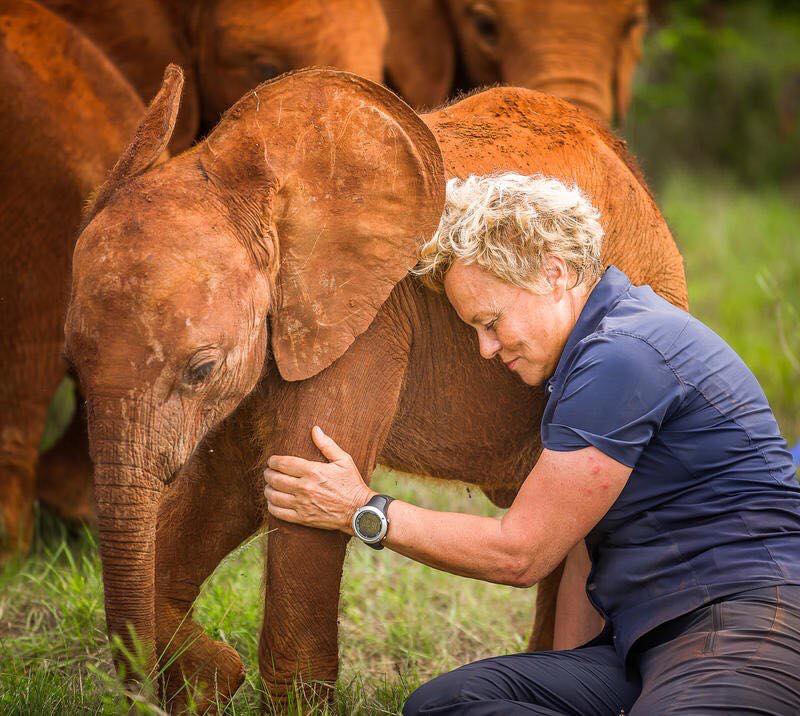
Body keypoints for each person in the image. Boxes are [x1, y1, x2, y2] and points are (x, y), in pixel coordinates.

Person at [263, 173, 800, 714]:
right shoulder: (593, 353)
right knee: (445, 704)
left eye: (491, 322)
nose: (485, 349)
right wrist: (564, 672)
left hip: (751, 623)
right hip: (646, 643)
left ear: (555, 271)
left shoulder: (624, 354)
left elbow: (521, 554)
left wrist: (363, 510)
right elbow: (585, 549)